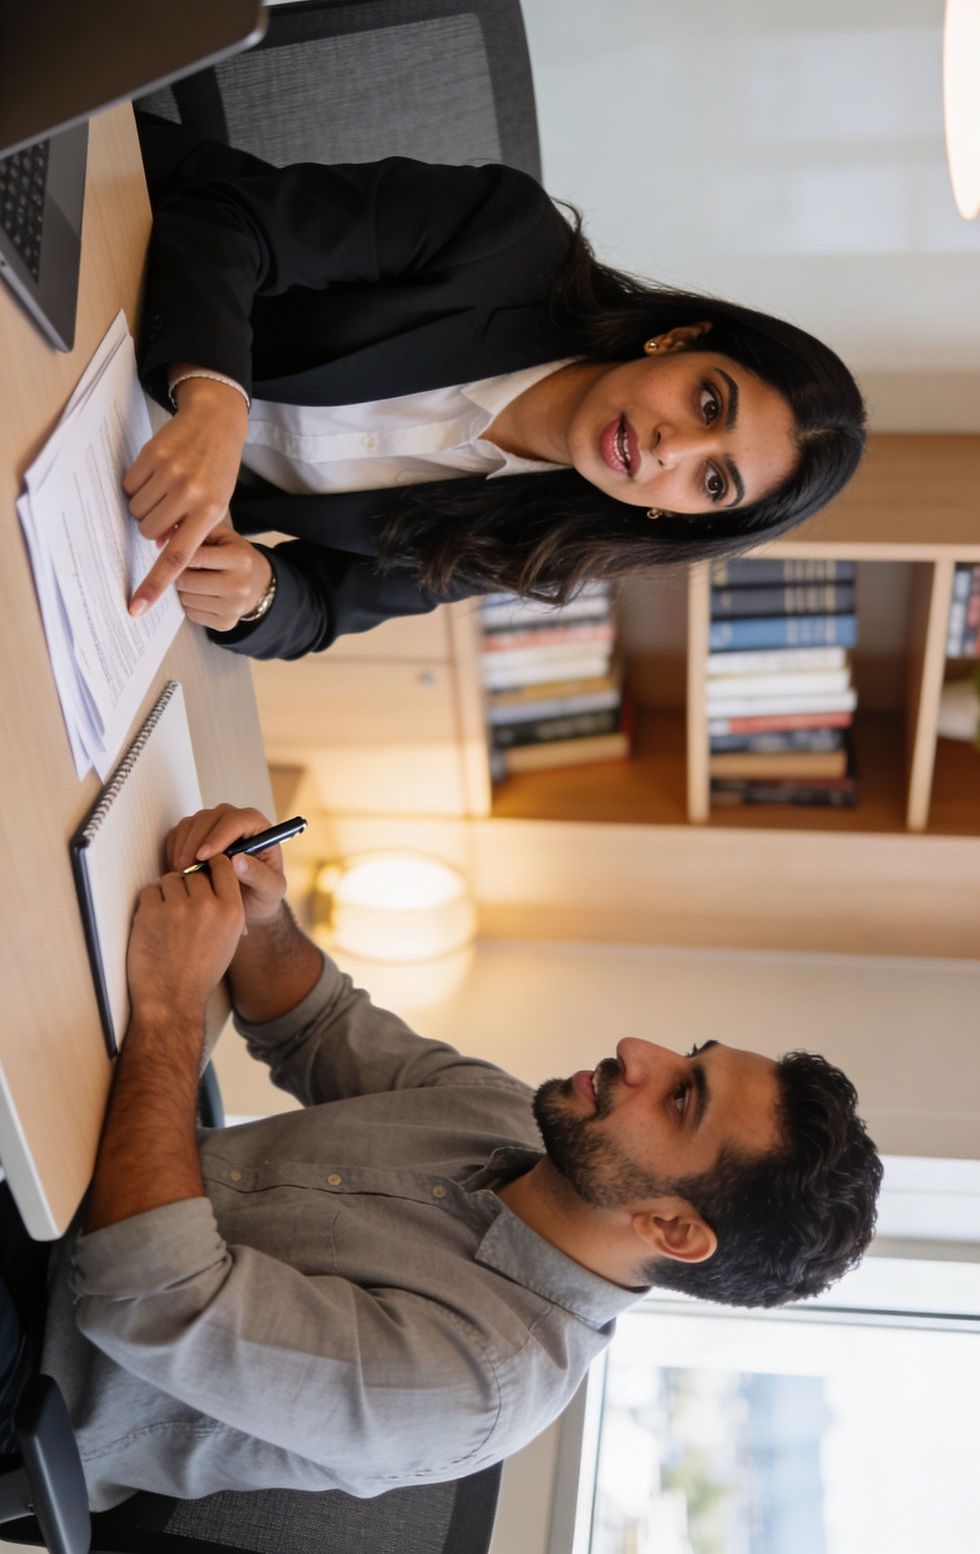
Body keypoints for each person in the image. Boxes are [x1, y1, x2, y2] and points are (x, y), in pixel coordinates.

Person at [40, 803, 882, 1509]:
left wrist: (172, 1003)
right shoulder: (513, 1118)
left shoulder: (476, 1385)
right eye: (690, 1053)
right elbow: (319, 1024)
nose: (638, 1049)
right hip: (58, 1168)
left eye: (680, 1096)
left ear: (671, 1226)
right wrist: (262, 915)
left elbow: (150, 1294)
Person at [122, 118, 868, 660]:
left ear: (676, 515)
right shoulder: (507, 240)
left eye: (713, 481)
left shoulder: (522, 543)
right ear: (678, 339)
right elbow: (227, 224)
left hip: (111, 471)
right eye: (709, 403)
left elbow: (317, 608)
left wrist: (257, 594)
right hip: (112, 265)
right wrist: (215, 396)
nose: (675, 446)